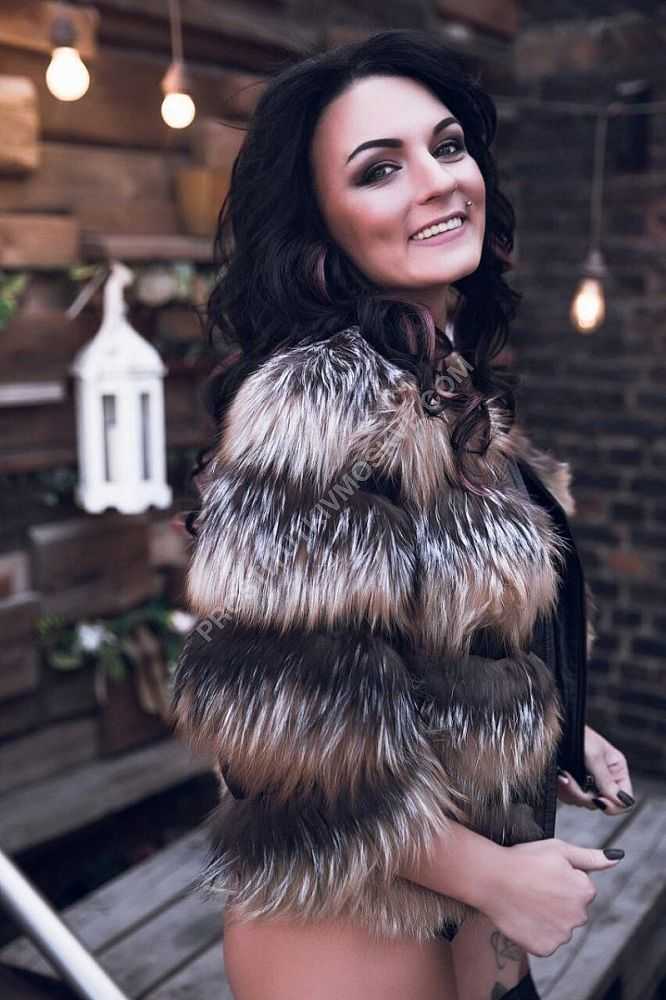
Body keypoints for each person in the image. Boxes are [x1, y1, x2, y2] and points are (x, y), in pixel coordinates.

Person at [172, 28, 635, 1000]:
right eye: (379, 169)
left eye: (448, 146)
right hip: (355, 938)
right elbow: (284, 737)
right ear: (320, 223)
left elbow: (435, 642)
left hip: (454, 923)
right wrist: (495, 876)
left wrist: (547, 731)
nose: (437, 182)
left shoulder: (437, 387)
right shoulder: (322, 403)